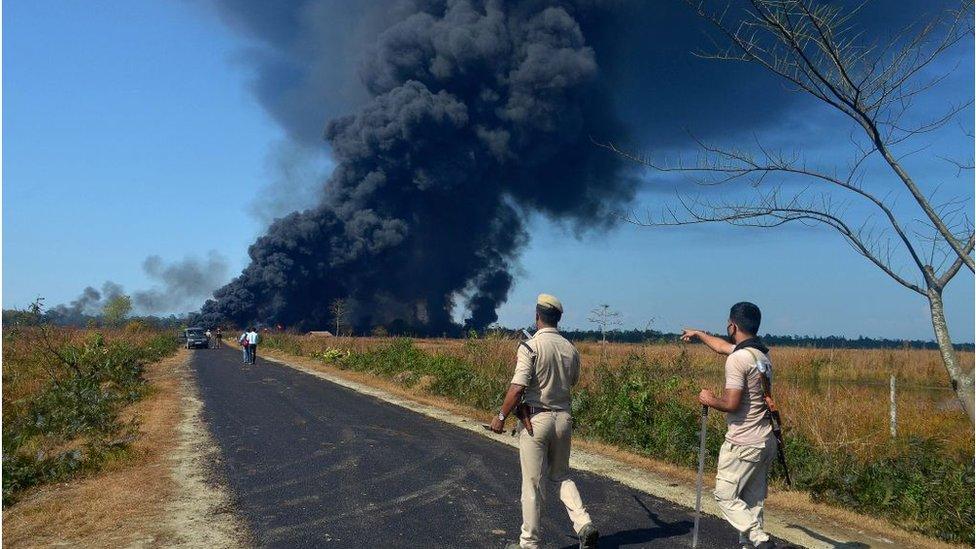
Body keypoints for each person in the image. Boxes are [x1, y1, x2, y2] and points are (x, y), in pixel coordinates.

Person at [490, 294, 598, 549]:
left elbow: (517, 388)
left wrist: (501, 416)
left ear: (537, 316)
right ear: (558, 319)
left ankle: (529, 544)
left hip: (535, 420)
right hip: (563, 419)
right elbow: (571, 383)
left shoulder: (530, 347)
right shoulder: (571, 350)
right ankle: (583, 523)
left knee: (533, 484)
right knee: (561, 475)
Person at [681, 302, 776, 549]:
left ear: (732, 325)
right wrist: (700, 334)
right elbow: (723, 347)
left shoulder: (738, 360)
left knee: (725, 495)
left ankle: (759, 540)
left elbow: (732, 403)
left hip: (743, 443)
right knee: (752, 502)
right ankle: (752, 544)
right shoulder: (760, 355)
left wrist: (709, 399)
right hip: (765, 440)